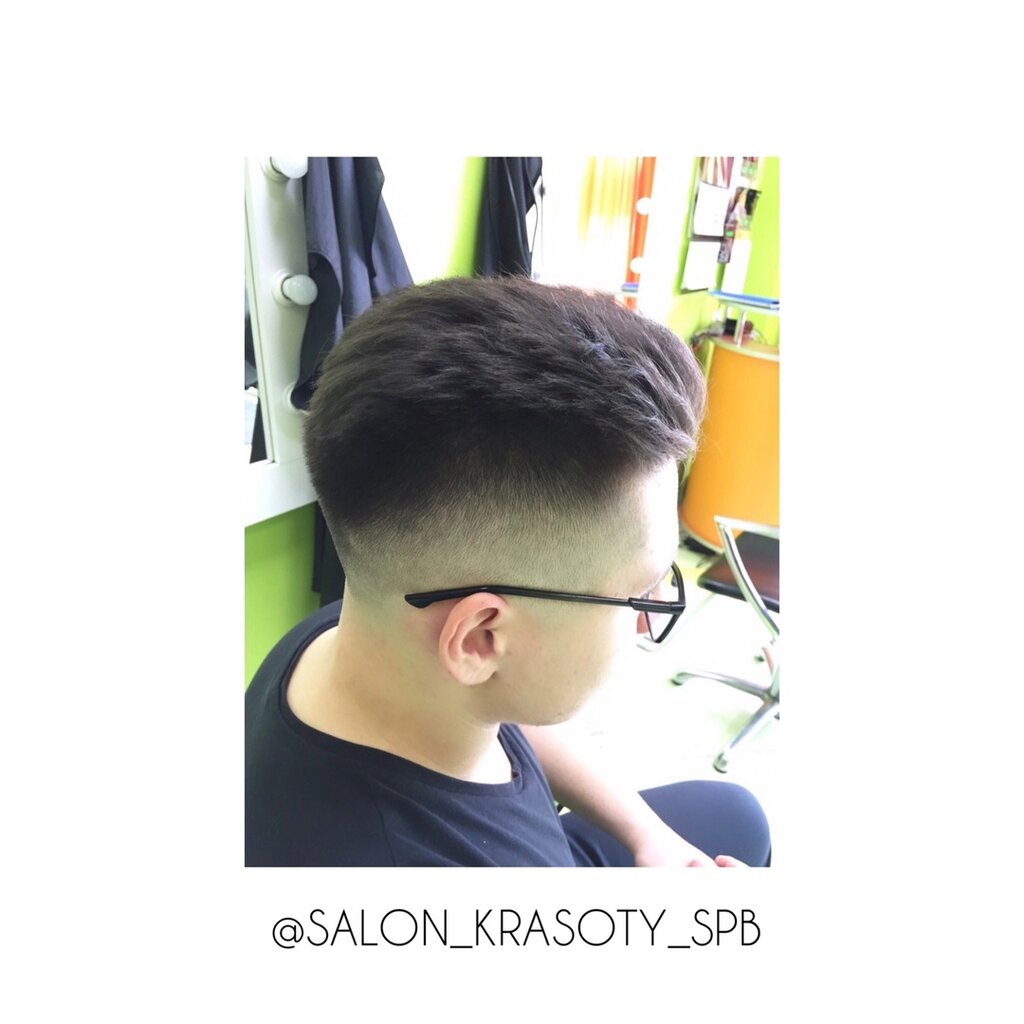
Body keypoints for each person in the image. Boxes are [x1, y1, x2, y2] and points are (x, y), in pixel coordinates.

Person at [245, 275, 771, 867]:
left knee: (736, 813)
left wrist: (645, 834)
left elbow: (513, 714)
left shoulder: (361, 629)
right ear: (480, 638)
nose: (648, 622)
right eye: (639, 596)